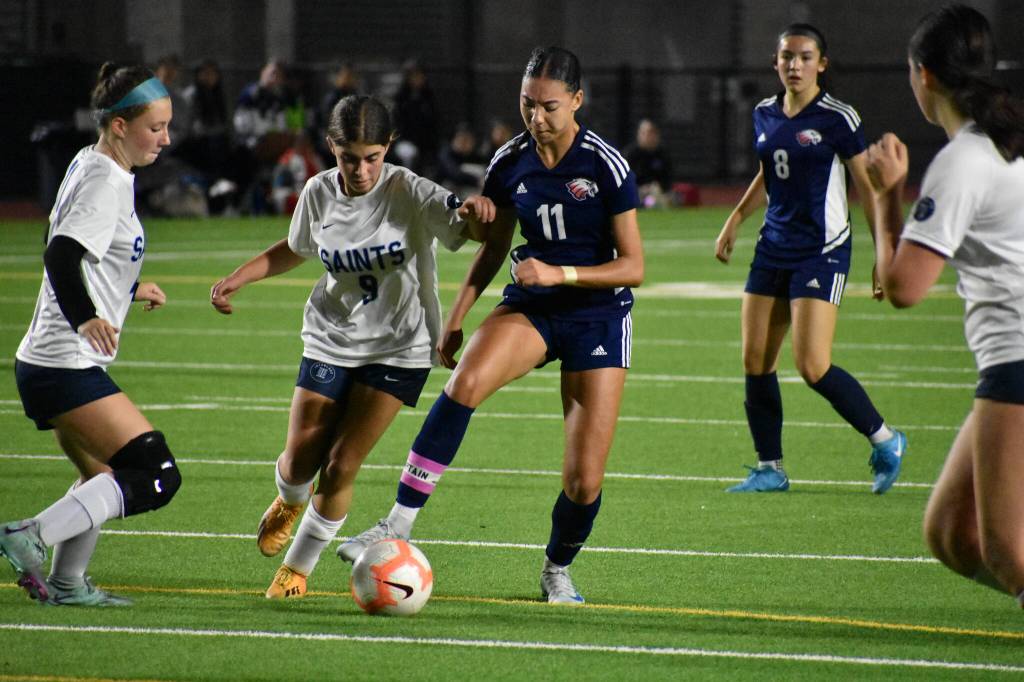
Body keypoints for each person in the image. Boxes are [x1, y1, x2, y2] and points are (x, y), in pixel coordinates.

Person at [339, 46, 644, 605]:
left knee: (583, 481)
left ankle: (556, 569)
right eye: (527, 104)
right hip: (533, 307)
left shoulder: (605, 164)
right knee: (465, 383)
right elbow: (493, 247)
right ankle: (395, 524)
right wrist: (455, 317)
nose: (536, 117)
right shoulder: (510, 161)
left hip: (598, 317)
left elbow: (634, 267)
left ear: (577, 100)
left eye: (549, 106)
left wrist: (559, 273)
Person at [209, 95, 496, 600]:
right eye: (348, 158)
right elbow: (296, 247)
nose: (361, 170)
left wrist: (478, 212)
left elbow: (468, 230)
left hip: (400, 346)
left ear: (388, 147)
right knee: (299, 463)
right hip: (331, 336)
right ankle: (289, 499)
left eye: (372, 158)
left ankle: (296, 570)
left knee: (342, 463)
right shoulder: (318, 191)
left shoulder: (412, 190)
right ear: (331, 148)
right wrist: (240, 276)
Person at [0, 63, 180, 606]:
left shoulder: (92, 161)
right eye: (155, 127)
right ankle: (29, 535)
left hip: (49, 361)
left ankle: (67, 583)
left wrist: (127, 287)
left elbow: (69, 244)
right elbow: (61, 255)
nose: (166, 139)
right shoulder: (106, 181)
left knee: (100, 476)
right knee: (155, 473)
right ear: (119, 126)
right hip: (65, 363)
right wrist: (85, 317)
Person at [866, 5, 1024, 608]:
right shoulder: (1005, 141)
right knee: (954, 534)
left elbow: (904, 287)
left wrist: (885, 197)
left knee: (1006, 548)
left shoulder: (963, 161)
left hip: (1016, 356)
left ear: (924, 75)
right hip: (1007, 361)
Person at [714, 24, 905, 494]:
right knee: (755, 360)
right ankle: (770, 469)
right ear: (775, 62)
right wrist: (735, 218)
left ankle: (886, 439)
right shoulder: (764, 113)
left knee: (813, 365)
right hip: (772, 247)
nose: (794, 65)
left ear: (822, 64)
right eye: (786, 57)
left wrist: (883, 253)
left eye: (804, 57)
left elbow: (868, 186)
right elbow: (768, 173)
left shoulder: (839, 117)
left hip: (822, 251)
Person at [623, 119, 673, 208]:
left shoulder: (663, 155)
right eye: (644, 133)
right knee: (649, 200)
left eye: (651, 133)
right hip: (637, 192)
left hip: (658, 192)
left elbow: (668, 178)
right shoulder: (630, 154)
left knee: (672, 198)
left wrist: (660, 187)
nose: (648, 136)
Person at [436, 122, 487, 197]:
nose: (464, 144)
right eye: (461, 140)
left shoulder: (474, 156)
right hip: (444, 194)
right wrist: (477, 181)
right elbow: (455, 174)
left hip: (468, 195)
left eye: (468, 140)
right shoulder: (446, 154)